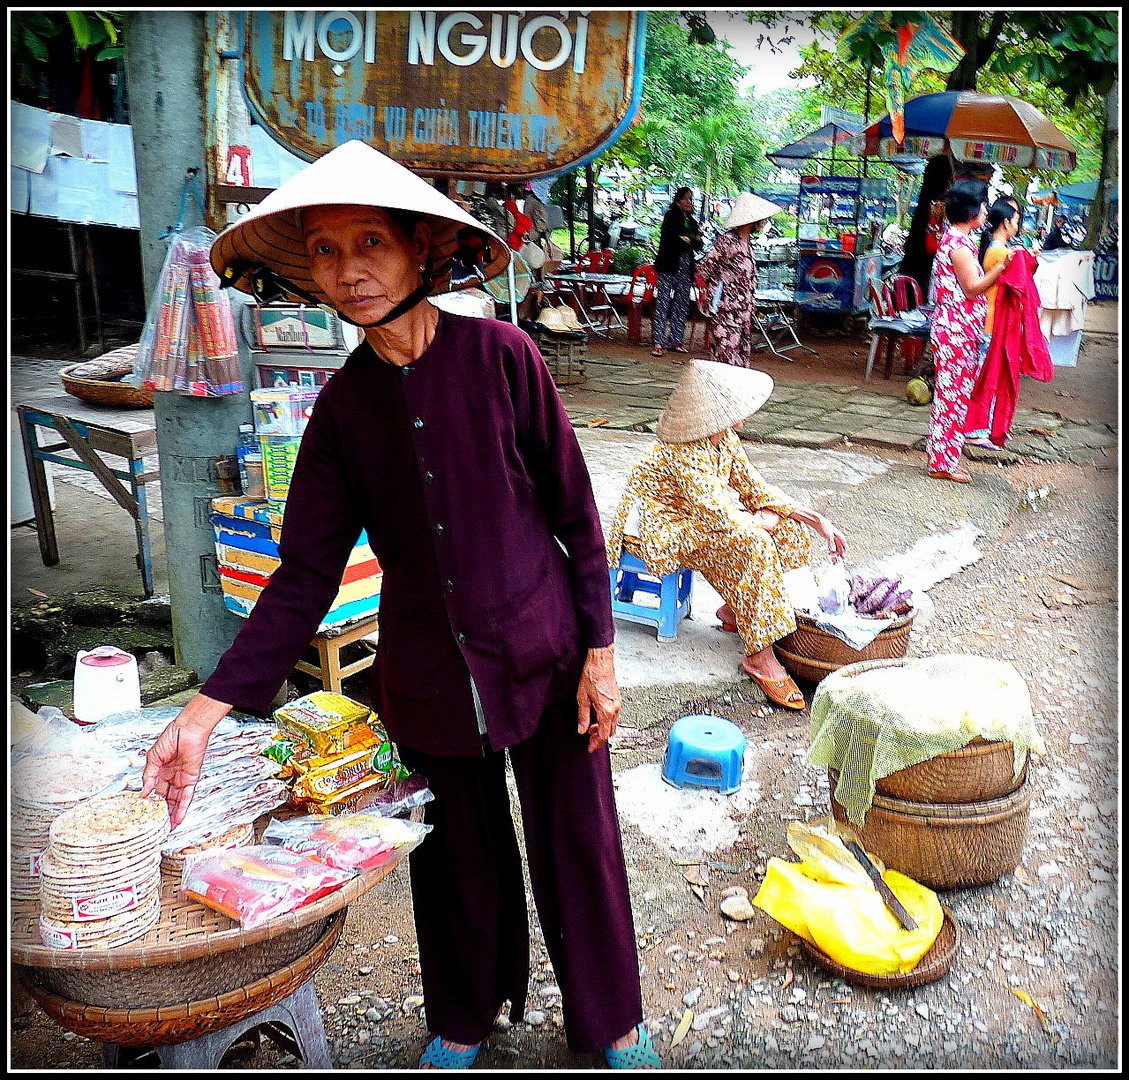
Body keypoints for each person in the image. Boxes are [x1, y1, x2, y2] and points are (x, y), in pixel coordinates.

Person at [141, 140, 660, 1071]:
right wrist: (206, 707)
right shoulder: (342, 411)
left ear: (421, 251)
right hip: (423, 672)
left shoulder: (503, 357)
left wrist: (600, 651)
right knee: (453, 856)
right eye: (328, 252)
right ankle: (462, 1014)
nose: (351, 270)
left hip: (543, 651)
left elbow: (577, 516)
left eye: (371, 242)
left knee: (577, 845)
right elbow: (302, 575)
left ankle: (611, 1021)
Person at [606, 359, 848, 710]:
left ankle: (740, 609)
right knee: (753, 542)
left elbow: (753, 487)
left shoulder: (724, 439)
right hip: (658, 529)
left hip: (698, 518)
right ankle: (759, 656)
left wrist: (814, 519)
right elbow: (716, 514)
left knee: (788, 529)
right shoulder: (682, 449)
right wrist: (759, 522)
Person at [925, 181, 1015, 483]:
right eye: (983, 205)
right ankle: (942, 462)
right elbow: (973, 288)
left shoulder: (956, 240)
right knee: (952, 397)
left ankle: (945, 459)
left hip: (958, 329)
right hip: (956, 331)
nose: (987, 210)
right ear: (972, 210)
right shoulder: (959, 246)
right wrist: (1001, 269)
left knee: (954, 396)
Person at [696, 192, 784, 367]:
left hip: (743, 311)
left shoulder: (747, 242)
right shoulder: (727, 241)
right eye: (762, 220)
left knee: (740, 356)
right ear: (751, 221)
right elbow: (705, 270)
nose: (764, 223)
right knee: (725, 356)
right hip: (725, 310)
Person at [650, 186, 704, 358]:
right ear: (678, 200)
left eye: (691, 199)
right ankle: (658, 342)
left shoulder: (692, 221)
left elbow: (698, 243)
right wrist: (687, 239)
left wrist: (690, 239)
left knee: (681, 305)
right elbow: (672, 240)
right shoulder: (670, 217)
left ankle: (676, 340)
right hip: (668, 266)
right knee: (663, 303)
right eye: (686, 199)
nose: (689, 202)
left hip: (685, 268)